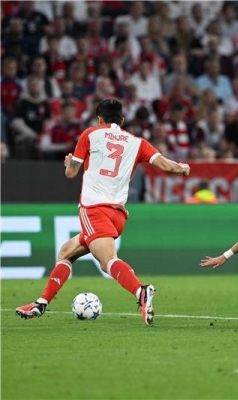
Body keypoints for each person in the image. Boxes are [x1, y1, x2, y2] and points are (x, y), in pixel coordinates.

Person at [15, 99, 191, 326]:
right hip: (118, 216)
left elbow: (71, 173)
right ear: (122, 120)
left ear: (99, 119)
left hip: (94, 210)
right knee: (67, 252)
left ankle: (141, 291)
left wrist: (69, 163)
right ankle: (41, 303)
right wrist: (182, 168)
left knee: (107, 261)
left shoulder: (90, 134)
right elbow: (166, 165)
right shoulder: (137, 142)